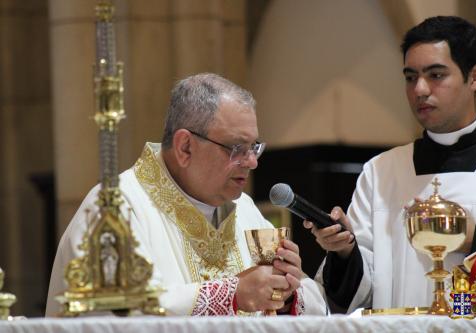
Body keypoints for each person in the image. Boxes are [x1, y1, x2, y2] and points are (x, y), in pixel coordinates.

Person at [46, 73, 327, 316]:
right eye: (236, 148)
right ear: (185, 148)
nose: (252, 162)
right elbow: (116, 314)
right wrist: (232, 294)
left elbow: (314, 305)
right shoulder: (115, 210)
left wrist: (286, 292)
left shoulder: (245, 209)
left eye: (254, 148)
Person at [305, 16, 476, 313]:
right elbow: (358, 295)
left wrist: (472, 238)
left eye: (436, 75)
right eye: (410, 77)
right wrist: (345, 251)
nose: (420, 89)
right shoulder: (381, 172)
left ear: (475, 77)